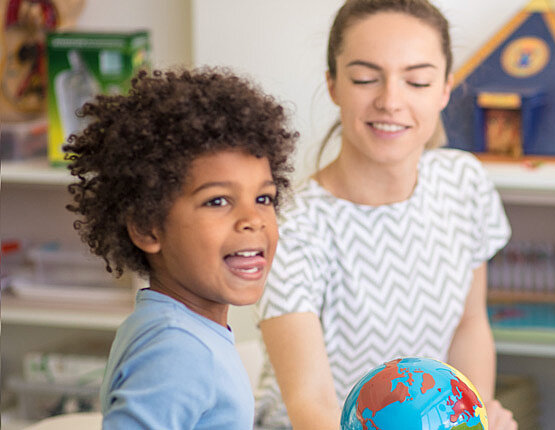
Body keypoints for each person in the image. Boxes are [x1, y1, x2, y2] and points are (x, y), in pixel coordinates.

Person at [253, 1, 515, 429]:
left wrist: (476, 414)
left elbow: (469, 326)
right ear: (334, 85)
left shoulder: (463, 182)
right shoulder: (293, 228)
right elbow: (309, 406)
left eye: (417, 80)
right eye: (365, 78)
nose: (391, 101)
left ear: (445, 89)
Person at [64, 67, 297, 428]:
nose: (253, 219)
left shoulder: (170, 326)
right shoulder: (178, 349)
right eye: (218, 201)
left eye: (264, 197)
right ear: (147, 227)